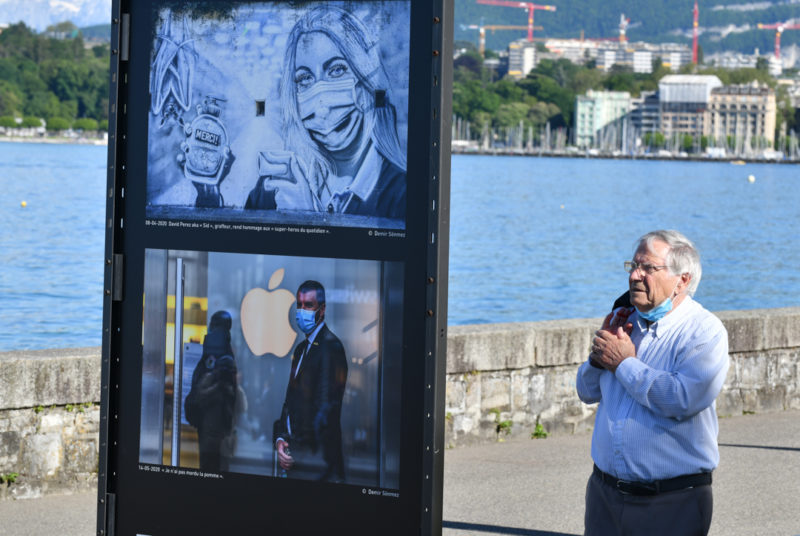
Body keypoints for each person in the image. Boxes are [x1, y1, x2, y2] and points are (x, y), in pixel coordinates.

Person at [576, 230, 729, 536]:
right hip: (605, 496)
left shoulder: (704, 332)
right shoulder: (624, 322)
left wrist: (624, 364)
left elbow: (681, 399)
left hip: (672, 501)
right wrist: (598, 359)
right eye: (633, 266)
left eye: (648, 268)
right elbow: (586, 391)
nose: (635, 275)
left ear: (682, 280)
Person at [245, 5, 406, 220]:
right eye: (304, 79)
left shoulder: (402, 196)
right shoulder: (273, 187)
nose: (322, 108)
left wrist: (305, 217)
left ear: (366, 79)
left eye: (337, 70)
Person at [274, 280, 348, 482]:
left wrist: (298, 449)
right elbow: (290, 401)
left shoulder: (331, 347)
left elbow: (325, 409)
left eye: (308, 305)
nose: (302, 311)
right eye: (299, 305)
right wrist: (281, 439)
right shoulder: (301, 349)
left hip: (317, 463)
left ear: (322, 310)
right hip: (298, 457)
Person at [184, 310, 238, 473]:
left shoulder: (216, 350)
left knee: (210, 465)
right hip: (214, 421)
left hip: (212, 421)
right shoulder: (223, 351)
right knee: (215, 465)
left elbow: (202, 388)